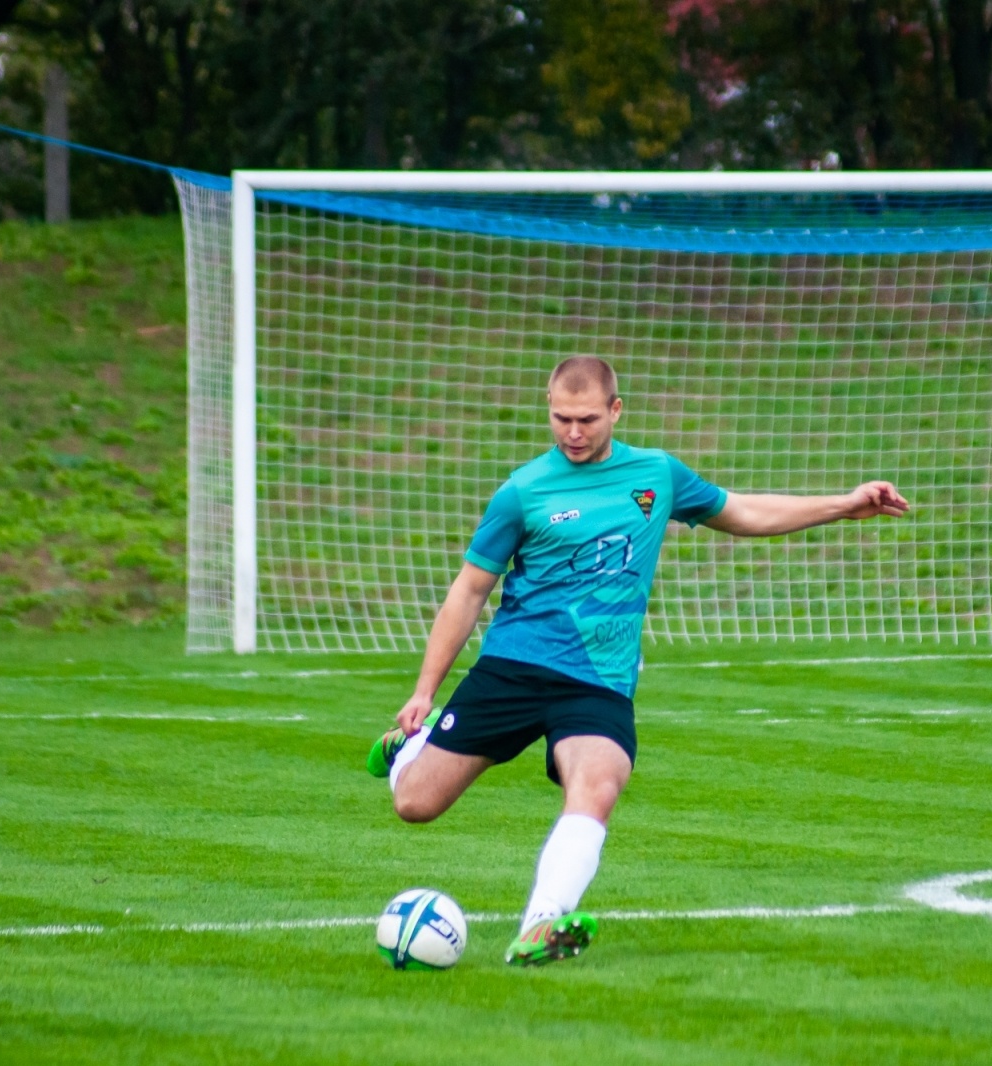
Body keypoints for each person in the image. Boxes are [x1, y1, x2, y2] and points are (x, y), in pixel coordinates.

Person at [368, 355, 907, 966]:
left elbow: (743, 512)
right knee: (416, 804)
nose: (573, 432)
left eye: (587, 419)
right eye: (561, 418)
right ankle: (406, 750)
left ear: (616, 411)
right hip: (514, 667)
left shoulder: (656, 474)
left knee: (597, 786)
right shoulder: (522, 492)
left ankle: (543, 924)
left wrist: (843, 503)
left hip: (598, 681)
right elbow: (469, 590)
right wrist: (423, 691)